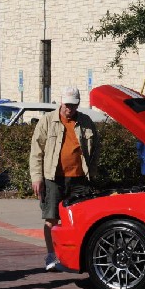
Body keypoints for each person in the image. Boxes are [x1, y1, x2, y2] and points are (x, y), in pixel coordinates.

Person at [29, 86, 100, 271]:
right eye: (67, 104)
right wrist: (37, 178)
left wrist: (92, 175)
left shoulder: (86, 122)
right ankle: (51, 255)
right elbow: (36, 152)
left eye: (74, 105)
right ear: (61, 102)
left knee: (80, 220)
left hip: (79, 179)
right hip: (53, 178)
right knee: (51, 218)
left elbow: (95, 151)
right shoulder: (46, 121)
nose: (70, 108)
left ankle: (75, 257)